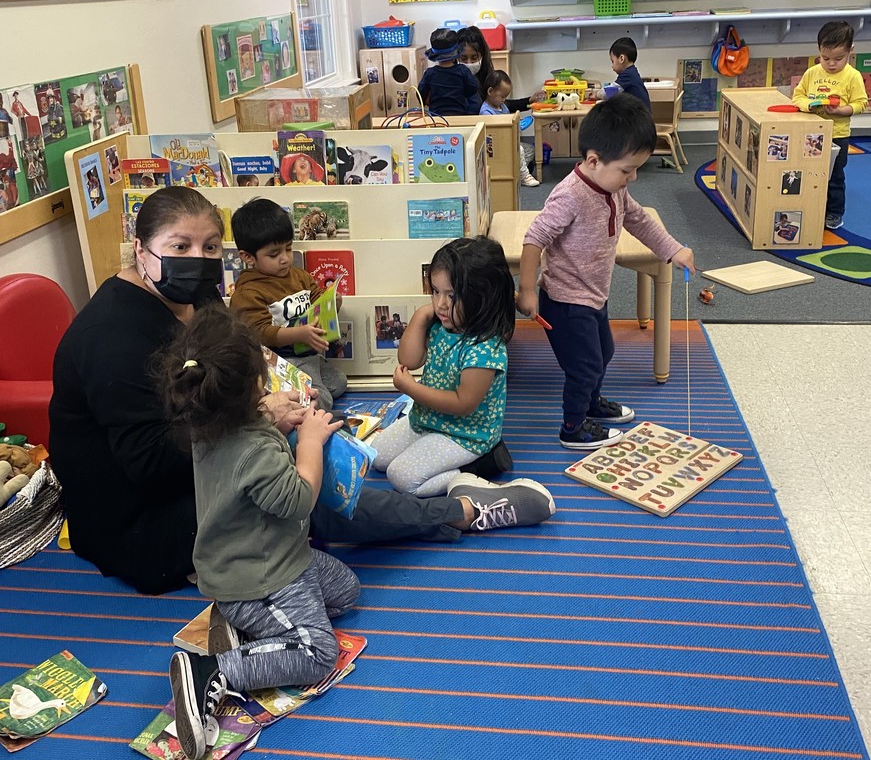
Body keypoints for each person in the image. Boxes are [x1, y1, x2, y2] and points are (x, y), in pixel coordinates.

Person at [50, 187, 556, 596]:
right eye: (179, 247)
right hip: (144, 520)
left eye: (208, 247)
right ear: (141, 250)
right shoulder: (111, 338)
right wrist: (257, 417)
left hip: (203, 461)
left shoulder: (191, 293)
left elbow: (236, 352)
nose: (198, 260)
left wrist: (279, 392)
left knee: (307, 446)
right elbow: (148, 463)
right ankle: (465, 512)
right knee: (301, 495)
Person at [157, 304, 360, 759]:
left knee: (346, 591)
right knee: (318, 654)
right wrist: (309, 443)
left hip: (270, 560)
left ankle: (238, 625)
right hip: (263, 578)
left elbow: (245, 443)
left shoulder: (208, 425)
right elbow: (298, 499)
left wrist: (271, 418)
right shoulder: (256, 451)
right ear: (255, 386)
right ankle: (211, 670)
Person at [516, 95, 696, 450]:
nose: (632, 178)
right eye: (627, 170)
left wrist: (672, 249)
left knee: (604, 353)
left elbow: (639, 220)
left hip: (595, 293)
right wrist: (527, 290)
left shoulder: (614, 190)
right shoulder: (570, 196)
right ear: (594, 160)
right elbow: (534, 238)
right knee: (583, 367)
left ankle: (591, 405)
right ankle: (573, 427)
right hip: (565, 301)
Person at [374, 238, 554, 515]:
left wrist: (411, 389)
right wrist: (423, 315)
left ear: (482, 297)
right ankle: (440, 458)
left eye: (452, 296)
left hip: (464, 434)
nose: (441, 304)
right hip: (426, 420)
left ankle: (478, 466)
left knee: (401, 478)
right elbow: (409, 360)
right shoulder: (442, 323)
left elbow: (462, 403)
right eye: (435, 292)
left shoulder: (485, 347)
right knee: (377, 456)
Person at [229, 198, 347, 411]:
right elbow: (261, 332)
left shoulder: (299, 276)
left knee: (339, 383)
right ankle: (279, 396)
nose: (285, 259)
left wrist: (333, 302)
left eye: (288, 249)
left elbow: (318, 299)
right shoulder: (248, 292)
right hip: (278, 363)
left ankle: (296, 394)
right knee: (322, 401)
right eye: (274, 254)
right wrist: (299, 334)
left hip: (306, 354)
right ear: (248, 257)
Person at [791, 20, 868, 230]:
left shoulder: (853, 76)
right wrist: (809, 105)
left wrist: (841, 110)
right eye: (825, 58)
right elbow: (797, 97)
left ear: (850, 51)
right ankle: (810, 207)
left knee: (834, 176)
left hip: (837, 135)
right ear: (819, 51)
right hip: (811, 134)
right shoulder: (812, 73)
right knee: (809, 173)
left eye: (838, 58)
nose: (831, 64)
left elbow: (861, 103)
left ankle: (834, 212)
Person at [458, 26, 541, 187]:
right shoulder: (456, 81)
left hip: (493, 138)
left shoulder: (487, 78)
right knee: (517, 154)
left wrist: (528, 101)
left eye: (474, 58)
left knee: (526, 150)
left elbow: (502, 104)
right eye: (464, 58)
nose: (469, 63)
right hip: (470, 138)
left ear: (481, 55)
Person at [417, 27, 480, 116]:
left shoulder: (430, 73)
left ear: (435, 55)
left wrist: (425, 101)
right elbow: (473, 88)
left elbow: (420, 92)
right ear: (456, 54)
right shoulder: (463, 71)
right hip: (460, 116)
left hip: (437, 118)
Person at [609, 37, 651, 109]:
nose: (611, 66)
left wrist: (595, 95)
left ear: (621, 59)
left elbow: (609, 92)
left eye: (612, 61)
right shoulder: (632, 72)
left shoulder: (628, 75)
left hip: (639, 118)